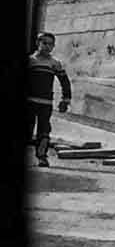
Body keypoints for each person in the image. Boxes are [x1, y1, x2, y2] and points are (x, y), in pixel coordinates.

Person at [28, 32, 71, 167]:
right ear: (37, 43)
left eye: (51, 44)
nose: (47, 47)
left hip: (46, 104)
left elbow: (64, 81)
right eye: (44, 43)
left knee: (44, 131)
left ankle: (42, 157)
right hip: (29, 102)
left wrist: (66, 99)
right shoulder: (31, 61)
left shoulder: (55, 63)